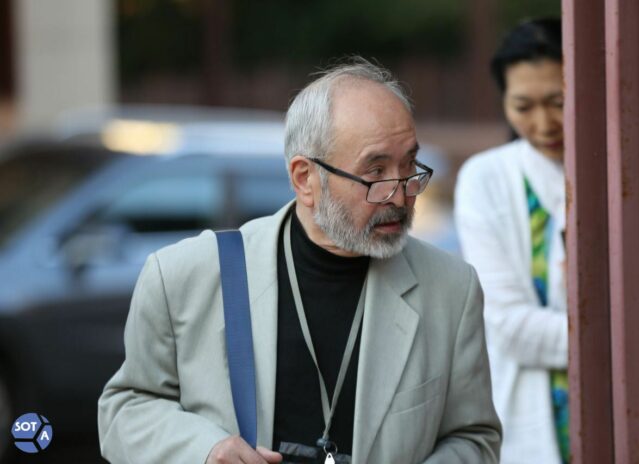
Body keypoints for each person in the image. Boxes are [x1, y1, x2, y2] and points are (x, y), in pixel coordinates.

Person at [98, 58, 501, 464]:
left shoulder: (451, 288)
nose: (400, 195)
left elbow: (474, 437)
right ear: (305, 178)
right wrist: (205, 451)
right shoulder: (184, 275)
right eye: (376, 172)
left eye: (409, 165)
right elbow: (124, 410)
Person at [454, 18, 568, 464]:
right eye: (523, 106)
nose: (544, 123)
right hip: (527, 428)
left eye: (559, 102)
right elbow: (509, 327)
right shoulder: (484, 179)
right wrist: (636, 329)